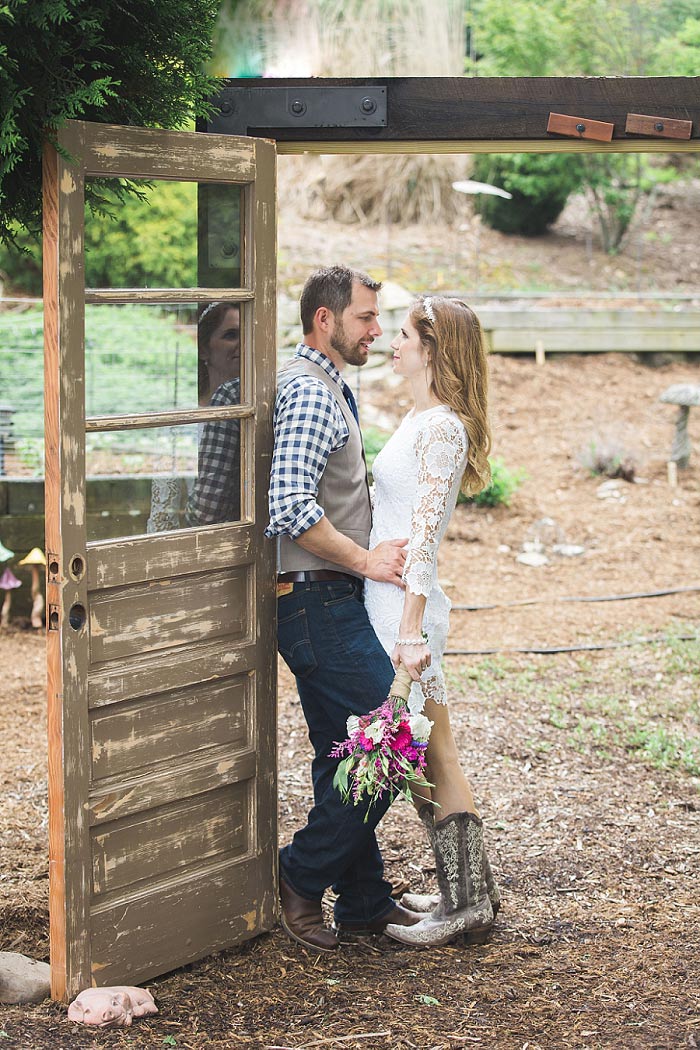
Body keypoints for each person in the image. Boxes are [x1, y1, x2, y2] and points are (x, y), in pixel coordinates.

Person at [265, 266, 422, 952]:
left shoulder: (331, 386)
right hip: (314, 602)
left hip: (326, 600)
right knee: (391, 743)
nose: (377, 329)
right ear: (324, 321)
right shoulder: (307, 391)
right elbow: (289, 507)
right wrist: (366, 561)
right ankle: (299, 875)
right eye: (365, 317)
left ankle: (361, 900)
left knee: (342, 755)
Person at [363, 294, 501, 947]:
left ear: (432, 348)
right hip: (392, 608)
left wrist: (410, 629)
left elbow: (423, 538)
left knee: (434, 754)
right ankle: (462, 889)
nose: (392, 345)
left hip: (407, 616)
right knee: (418, 755)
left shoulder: (443, 427)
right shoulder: (419, 418)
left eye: (402, 335)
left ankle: (468, 902)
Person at [185, 302, 242, 526]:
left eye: (246, 334)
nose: (241, 343)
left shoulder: (261, 408)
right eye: (231, 335)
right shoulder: (183, 417)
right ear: (203, 349)